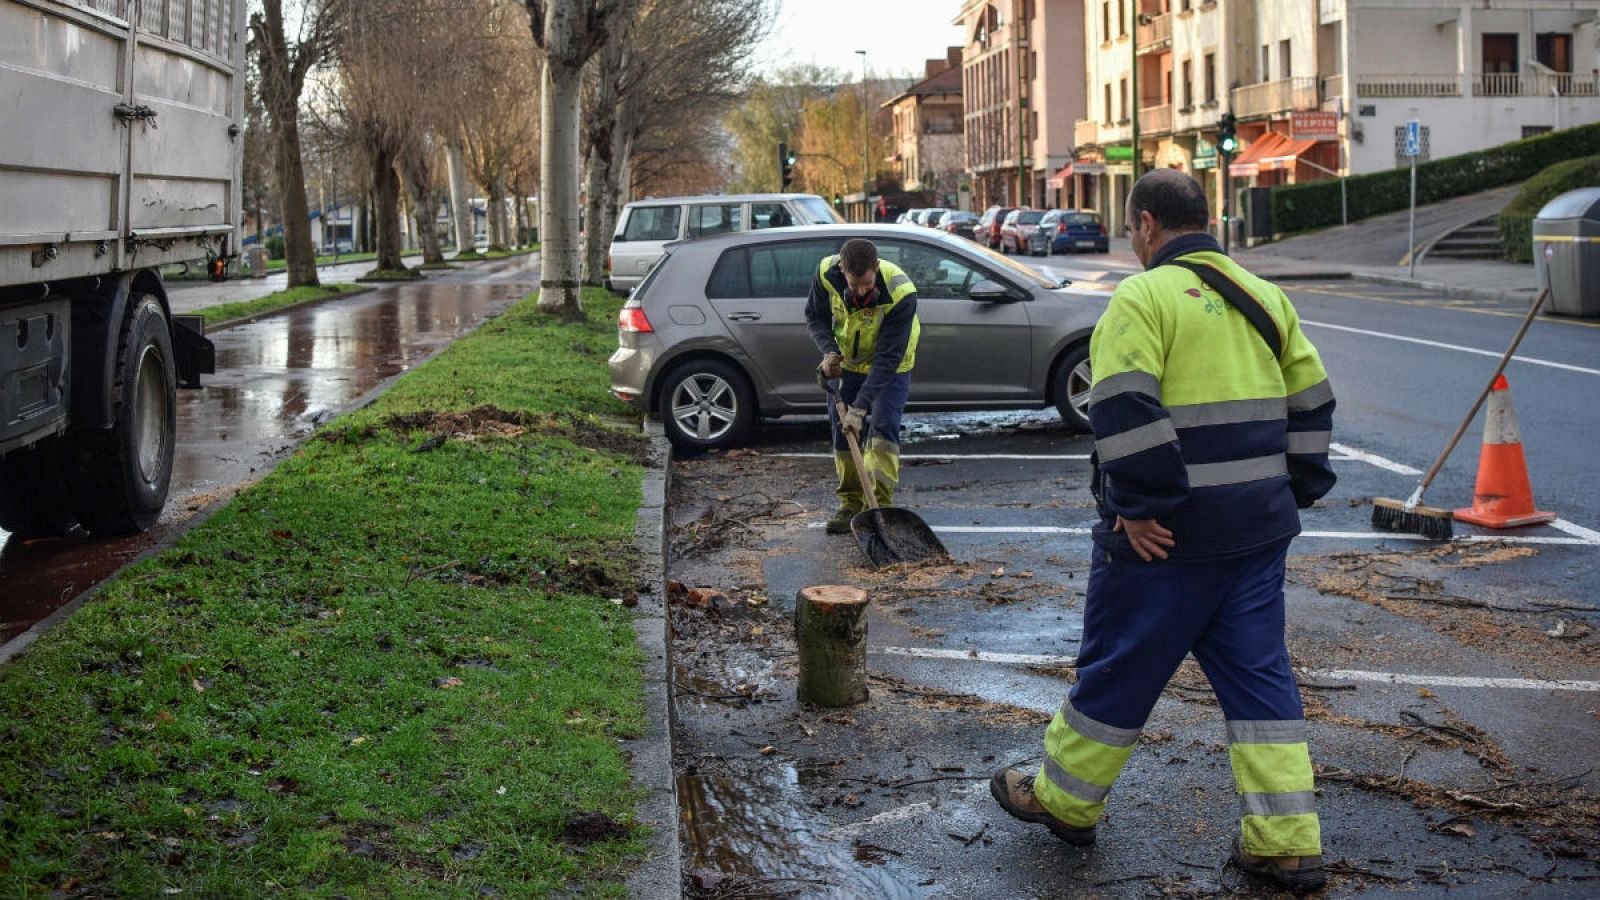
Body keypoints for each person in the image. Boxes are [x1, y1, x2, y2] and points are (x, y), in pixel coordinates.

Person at [988, 169, 1337, 894]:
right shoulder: (1265, 298)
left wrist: (1140, 506)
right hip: (1255, 532)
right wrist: (1286, 497)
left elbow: (1121, 404)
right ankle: (1286, 842)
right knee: (1260, 680)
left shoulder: (1142, 298)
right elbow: (1312, 404)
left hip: (1170, 538)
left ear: (1146, 224)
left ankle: (1064, 802)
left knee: (1121, 664)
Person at [806, 238, 921, 534]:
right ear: (842, 270)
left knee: (882, 428)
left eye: (867, 284)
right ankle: (851, 504)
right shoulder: (825, 274)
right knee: (842, 430)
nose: (860, 291)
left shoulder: (900, 292)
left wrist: (861, 406)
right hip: (850, 362)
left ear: (876, 267)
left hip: (891, 366)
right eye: (854, 284)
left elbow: (887, 358)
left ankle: (881, 507)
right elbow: (815, 317)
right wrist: (829, 351)